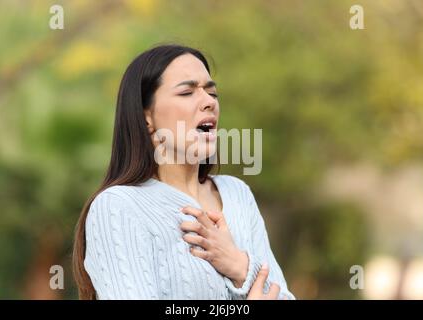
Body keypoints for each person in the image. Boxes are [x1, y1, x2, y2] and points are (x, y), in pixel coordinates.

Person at [72, 44, 295, 300]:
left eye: (212, 92)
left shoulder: (237, 194)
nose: (209, 102)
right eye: (187, 92)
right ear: (147, 117)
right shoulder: (119, 206)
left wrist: (239, 265)